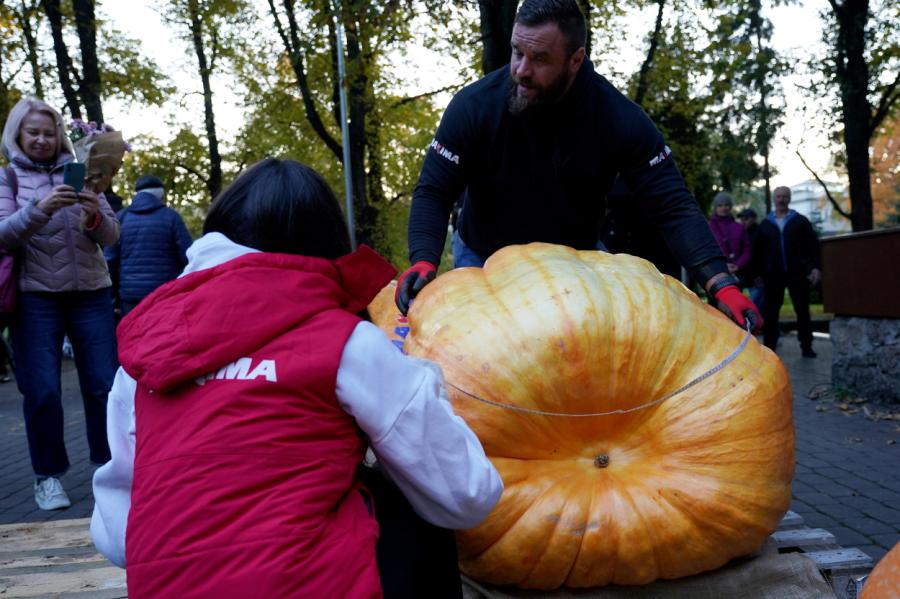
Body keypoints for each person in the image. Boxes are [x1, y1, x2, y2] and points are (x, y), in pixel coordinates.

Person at [90, 158, 503, 598]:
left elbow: (117, 537)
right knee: (412, 492)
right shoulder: (346, 342)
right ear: (327, 246)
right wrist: (422, 383)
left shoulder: (144, 358)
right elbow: (468, 497)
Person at [397, 0, 760, 335]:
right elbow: (434, 190)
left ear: (575, 59)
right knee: (487, 355)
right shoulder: (474, 106)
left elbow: (673, 206)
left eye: (539, 58)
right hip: (483, 254)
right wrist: (424, 258)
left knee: (579, 355)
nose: (521, 70)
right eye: (516, 52)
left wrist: (720, 282)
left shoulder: (618, 118)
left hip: (573, 259)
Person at [0, 96, 119, 510]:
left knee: (104, 386)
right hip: (36, 298)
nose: (42, 139)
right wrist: (38, 209)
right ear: (18, 134)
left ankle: (110, 469)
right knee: (44, 391)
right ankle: (47, 477)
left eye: (49, 133)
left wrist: (95, 217)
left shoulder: (83, 171)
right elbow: (2, 234)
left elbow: (111, 238)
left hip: (91, 292)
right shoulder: (7, 179)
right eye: (33, 132)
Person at [104, 174, 192, 316]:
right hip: (165, 294)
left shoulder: (121, 217)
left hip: (130, 295)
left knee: (132, 335)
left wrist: (112, 297)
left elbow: (109, 260)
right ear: (161, 195)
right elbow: (187, 256)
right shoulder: (171, 217)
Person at [752, 186, 821, 357]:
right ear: (774, 199)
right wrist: (756, 274)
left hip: (797, 273)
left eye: (784, 196)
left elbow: (813, 247)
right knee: (771, 312)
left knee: (802, 310)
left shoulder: (801, 221)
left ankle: (806, 346)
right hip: (772, 275)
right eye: (778, 196)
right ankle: (769, 348)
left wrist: (815, 268)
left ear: (789, 199)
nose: (781, 199)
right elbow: (757, 252)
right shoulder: (765, 225)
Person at [708, 192, 751, 277]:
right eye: (720, 205)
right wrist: (721, 266)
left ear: (730, 207)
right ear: (715, 207)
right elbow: (706, 251)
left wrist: (738, 265)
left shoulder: (739, 227)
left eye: (726, 205)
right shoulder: (708, 228)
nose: (723, 208)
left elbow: (747, 250)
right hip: (716, 274)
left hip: (736, 272)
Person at [738, 207, 764, 311]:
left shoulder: (759, 233)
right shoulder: (741, 233)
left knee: (753, 308)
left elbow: (761, 256)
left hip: (756, 277)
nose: (743, 221)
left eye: (746, 218)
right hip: (745, 275)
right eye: (742, 219)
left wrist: (760, 274)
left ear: (754, 219)